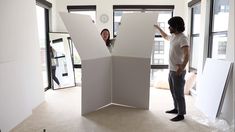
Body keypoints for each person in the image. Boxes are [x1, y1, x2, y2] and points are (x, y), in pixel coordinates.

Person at [154, 16, 190, 121]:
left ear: (176, 26)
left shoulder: (183, 38)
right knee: (173, 91)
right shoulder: (174, 36)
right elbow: (165, 36)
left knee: (179, 93)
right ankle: (176, 108)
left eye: (170, 26)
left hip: (178, 70)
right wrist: (158, 28)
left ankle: (181, 114)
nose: (169, 28)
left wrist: (182, 67)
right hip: (172, 69)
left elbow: (187, 54)